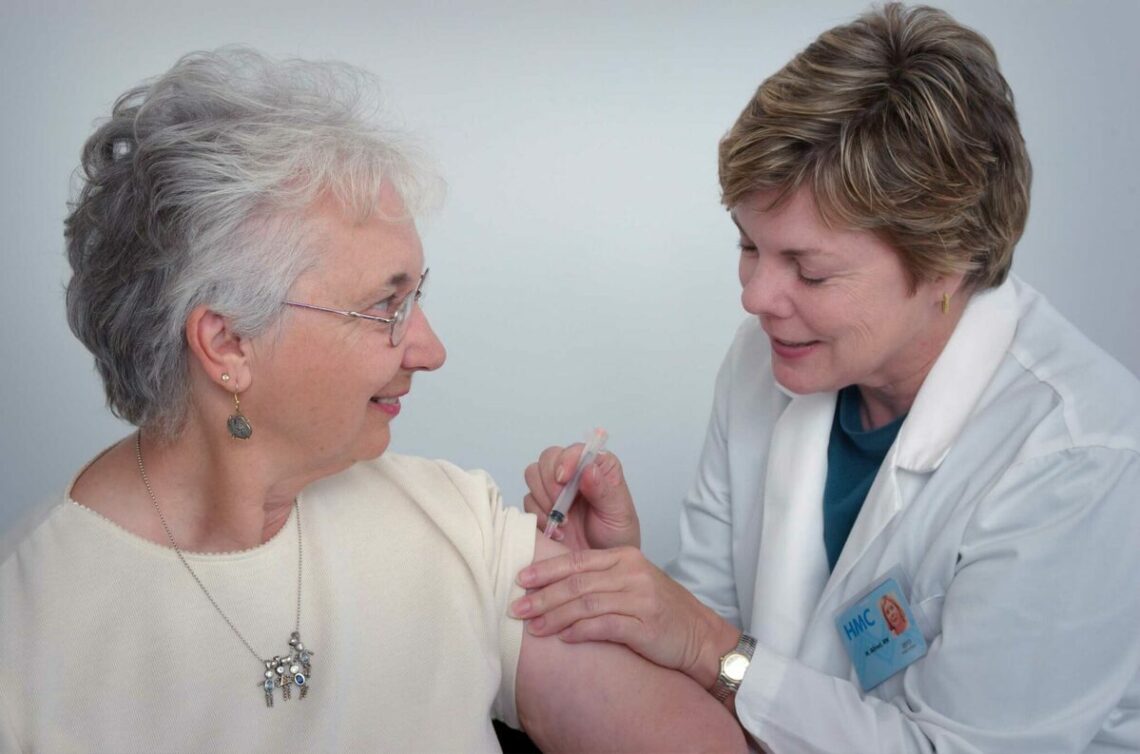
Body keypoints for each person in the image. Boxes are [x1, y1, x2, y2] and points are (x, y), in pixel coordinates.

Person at [0, 48, 745, 753]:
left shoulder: (457, 529)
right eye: (385, 306)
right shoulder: (26, 629)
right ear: (227, 345)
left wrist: (619, 609)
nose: (429, 349)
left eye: (416, 295)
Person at [512, 4, 1140, 752]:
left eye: (808, 270)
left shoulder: (1081, 457)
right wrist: (624, 584)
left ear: (946, 259)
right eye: (749, 246)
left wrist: (709, 645)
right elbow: (701, 639)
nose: (755, 297)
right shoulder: (766, 361)